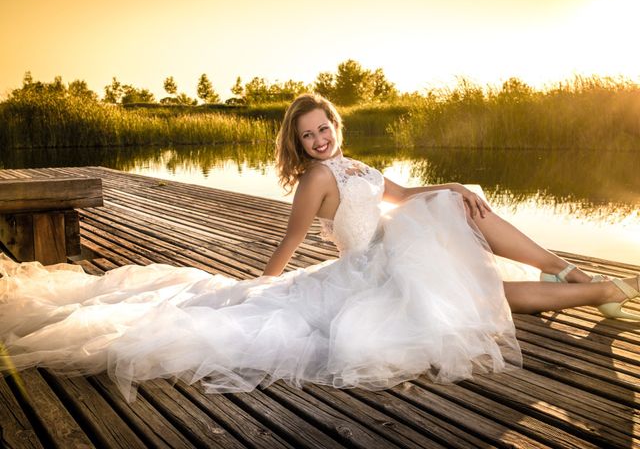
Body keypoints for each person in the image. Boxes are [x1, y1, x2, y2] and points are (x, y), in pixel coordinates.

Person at [0, 93, 638, 404]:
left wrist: (455, 185)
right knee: (473, 297)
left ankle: (566, 271)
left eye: (324, 129)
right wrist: (256, 285)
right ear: (299, 145)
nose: (319, 140)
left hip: (394, 251)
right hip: (366, 272)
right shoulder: (315, 181)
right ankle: (594, 286)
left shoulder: (357, 165)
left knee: (454, 205)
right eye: (307, 136)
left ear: (336, 125)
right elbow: (292, 238)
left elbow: (405, 193)